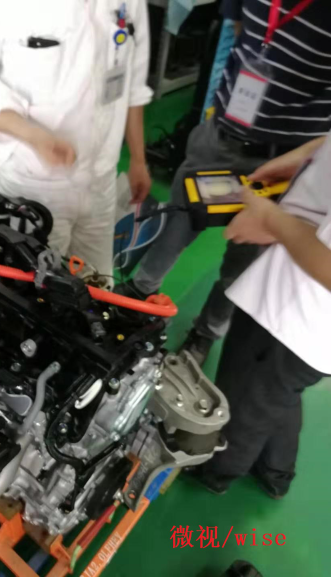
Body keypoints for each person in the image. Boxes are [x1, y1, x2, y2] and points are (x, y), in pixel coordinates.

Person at [116, 0, 331, 363]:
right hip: (218, 137)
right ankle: (139, 296)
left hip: (281, 162)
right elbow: (240, 32)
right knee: (176, 224)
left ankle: (206, 332)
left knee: (243, 261)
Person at [0, 0, 152, 282]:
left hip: (101, 180)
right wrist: (32, 135)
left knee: (98, 286)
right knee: (32, 293)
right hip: (33, 185)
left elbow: (133, 83)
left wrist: (139, 160)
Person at [195, 133, 331, 499]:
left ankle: (216, 471)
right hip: (303, 322)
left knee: (244, 403)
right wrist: (305, 156)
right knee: (277, 392)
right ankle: (276, 471)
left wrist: (270, 219)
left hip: (297, 315)